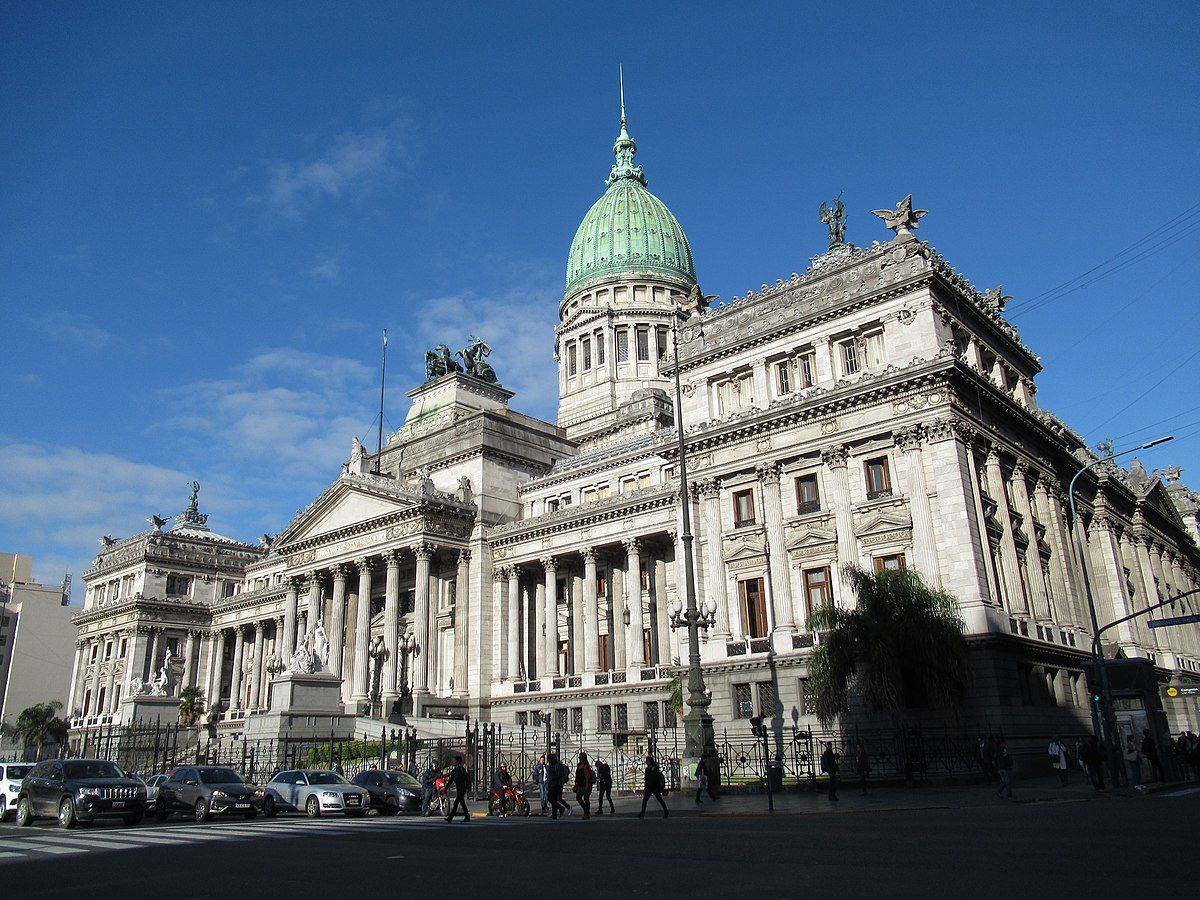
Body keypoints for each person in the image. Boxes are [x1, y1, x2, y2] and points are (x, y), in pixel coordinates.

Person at [445, 755, 470, 823]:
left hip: (463, 788)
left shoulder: (462, 770)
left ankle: (450, 818)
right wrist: (445, 788)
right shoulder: (454, 771)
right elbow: (450, 781)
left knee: (456, 803)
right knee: (462, 803)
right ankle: (467, 816)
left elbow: (466, 779)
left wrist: (468, 787)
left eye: (454, 760)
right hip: (458, 788)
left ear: (458, 761)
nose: (453, 762)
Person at [545, 752, 569, 819]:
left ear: (554, 759)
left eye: (550, 759)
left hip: (557, 784)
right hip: (551, 784)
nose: (549, 761)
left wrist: (552, 777)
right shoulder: (550, 765)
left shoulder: (559, 765)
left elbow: (559, 775)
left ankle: (554, 814)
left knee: (555, 799)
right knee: (550, 798)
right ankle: (560, 808)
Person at [573, 752, 594, 820]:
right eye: (579, 757)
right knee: (578, 798)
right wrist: (576, 783)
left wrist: (587, 785)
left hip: (585, 785)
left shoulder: (586, 765)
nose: (580, 758)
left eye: (581, 757)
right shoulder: (579, 765)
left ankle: (586, 813)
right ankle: (586, 810)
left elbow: (587, 776)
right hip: (579, 784)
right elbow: (577, 775)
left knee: (586, 798)